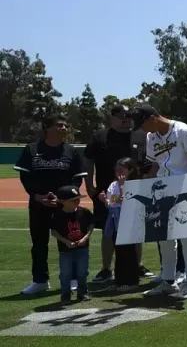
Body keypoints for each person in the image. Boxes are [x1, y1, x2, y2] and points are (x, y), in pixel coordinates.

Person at [131, 104, 187, 299]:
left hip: (184, 188)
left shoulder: (183, 131)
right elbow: (155, 165)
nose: (141, 129)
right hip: (162, 191)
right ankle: (168, 281)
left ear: (152, 118)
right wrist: (142, 188)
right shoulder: (151, 137)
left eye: (142, 124)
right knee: (164, 238)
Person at [15, 114, 86, 295]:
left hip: (64, 207)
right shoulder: (31, 149)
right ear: (47, 128)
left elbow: (78, 179)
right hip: (39, 205)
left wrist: (66, 199)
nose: (64, 128)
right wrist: (37, 196)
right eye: (59, 125)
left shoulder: (71, 151)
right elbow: (25, 177)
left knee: (70, 243)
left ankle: (72, 279)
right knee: (39, 243)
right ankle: (40, 280)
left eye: (65, 125)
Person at [84, 104, 148, 283]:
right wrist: (90, 186)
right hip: (107, 192)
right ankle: (106, 269)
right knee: (108, 231)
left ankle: (137, 265)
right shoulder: (100, 136)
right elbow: (88, 162)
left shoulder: (141, 136)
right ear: (112, 117)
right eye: (121, 116)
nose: (126, 119)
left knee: (135, 231)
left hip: (135, 193)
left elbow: (147, 164)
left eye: (128, 116)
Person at [101, 157, 142, 291]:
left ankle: (131, 281)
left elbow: (130, 202)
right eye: (116, 169)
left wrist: (123, 185)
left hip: (129, 222)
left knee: (128, 252)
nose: (118, 172)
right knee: (119, 251)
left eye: (121, 169)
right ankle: (119, 280)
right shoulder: (113, 185)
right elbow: (111, 204)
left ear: (130, 170)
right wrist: (104, 201)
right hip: (115, 221)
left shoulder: (135, 184)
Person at [49, 185, 93, 304]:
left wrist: (85, 238)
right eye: (73, 200)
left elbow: (90, 225)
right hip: (65, 250)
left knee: (82, 271)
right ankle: (65, 295)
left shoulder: (84, 212)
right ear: (63, 202)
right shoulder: (57, 215)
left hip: (83, 248)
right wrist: (66, 241)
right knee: (65, 273)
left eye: (78, 198)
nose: (77, 201)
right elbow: (54, 231)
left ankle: (82, 293)